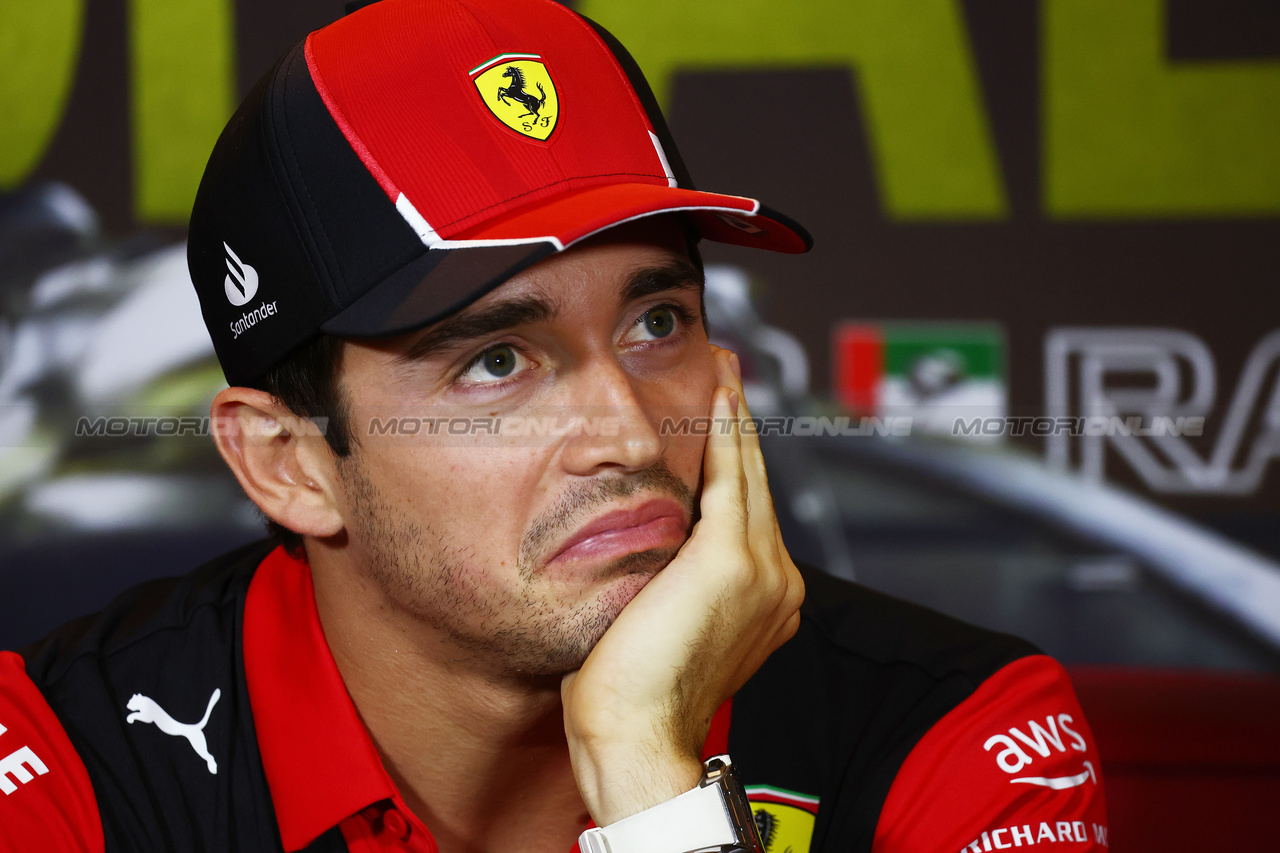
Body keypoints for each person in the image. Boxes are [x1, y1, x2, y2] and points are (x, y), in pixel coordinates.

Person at [0, 1, 1108, 851]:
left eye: (656, 320)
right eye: (495, 361)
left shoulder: (954, 733)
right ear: (289, 463)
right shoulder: (60, 761)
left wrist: (644, 770)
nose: (625, 434)